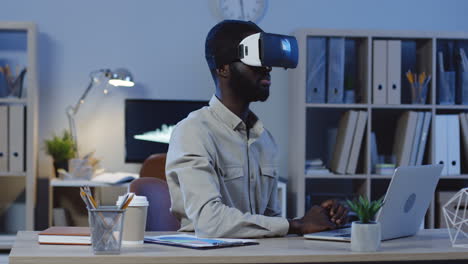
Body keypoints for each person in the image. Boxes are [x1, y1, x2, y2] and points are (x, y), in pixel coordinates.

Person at [166, 20, 348, 238]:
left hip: (259, 254)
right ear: (223, 68)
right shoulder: (193, 132)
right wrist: (297, 225)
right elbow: (209, 222)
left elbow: (273, 223)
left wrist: (319, 219)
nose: (267, 68)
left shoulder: (264, 140)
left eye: (268, 60)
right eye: (256, 59)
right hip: (208, 257)